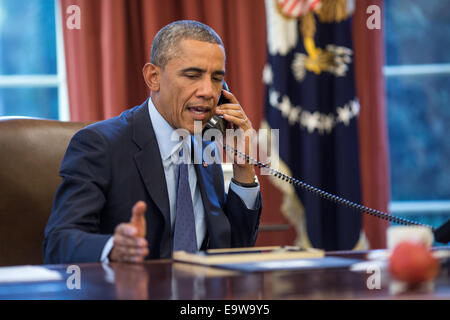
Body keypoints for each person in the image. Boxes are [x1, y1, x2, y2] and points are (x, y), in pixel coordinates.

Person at [43, 20, 262, 264]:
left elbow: (232, 250)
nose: (209, 92)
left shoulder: (206, 145)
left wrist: (244, 169)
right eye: (193, 75)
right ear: (153, 77)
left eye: (216, 78)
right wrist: (114, 247)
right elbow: (58, 243)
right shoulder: (99, 145)